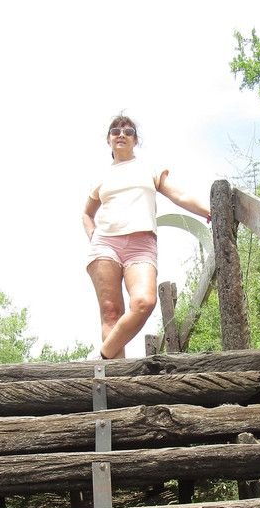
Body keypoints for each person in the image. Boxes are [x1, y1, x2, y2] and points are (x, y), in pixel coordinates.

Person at [83, 115, 211, 359]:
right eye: (115, 131)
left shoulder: (149, 168)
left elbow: (180, 194)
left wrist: (208, 211)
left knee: (144, 302)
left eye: (128, 131)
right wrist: (94, 238)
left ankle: (102, 357)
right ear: (108, 139)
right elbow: (87, 214)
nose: (121, 134)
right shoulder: (101, 177)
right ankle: (115, 384)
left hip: (141, 246)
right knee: (111, 312)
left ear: (135, 139)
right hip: (105, 245)